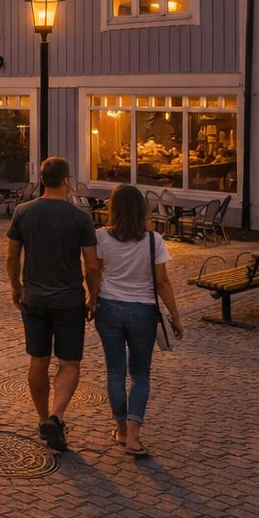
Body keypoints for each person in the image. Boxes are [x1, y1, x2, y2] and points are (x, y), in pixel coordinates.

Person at [6, 156, 101, 454]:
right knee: (69, 362)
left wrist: (16, 286)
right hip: (69, 299)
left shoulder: (23, 212)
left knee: (38, 359)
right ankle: (57, 416)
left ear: (43, 179)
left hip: (34, 297)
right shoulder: (80, 217)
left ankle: (42, 417)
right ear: (66, 181)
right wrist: (93, 296)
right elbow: (92, 265)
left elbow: (12, 256)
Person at [93, 185, 184, 459]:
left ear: (113, 208)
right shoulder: (154, 240)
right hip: (143, 311)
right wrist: (176, 317)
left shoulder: (100, 237)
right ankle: (134, 435)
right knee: (140, 374)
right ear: (142, 209)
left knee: (115, 371)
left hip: (108, 308)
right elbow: (163, 282)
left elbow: (94, 271)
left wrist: (92, 300)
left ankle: (120, 428)